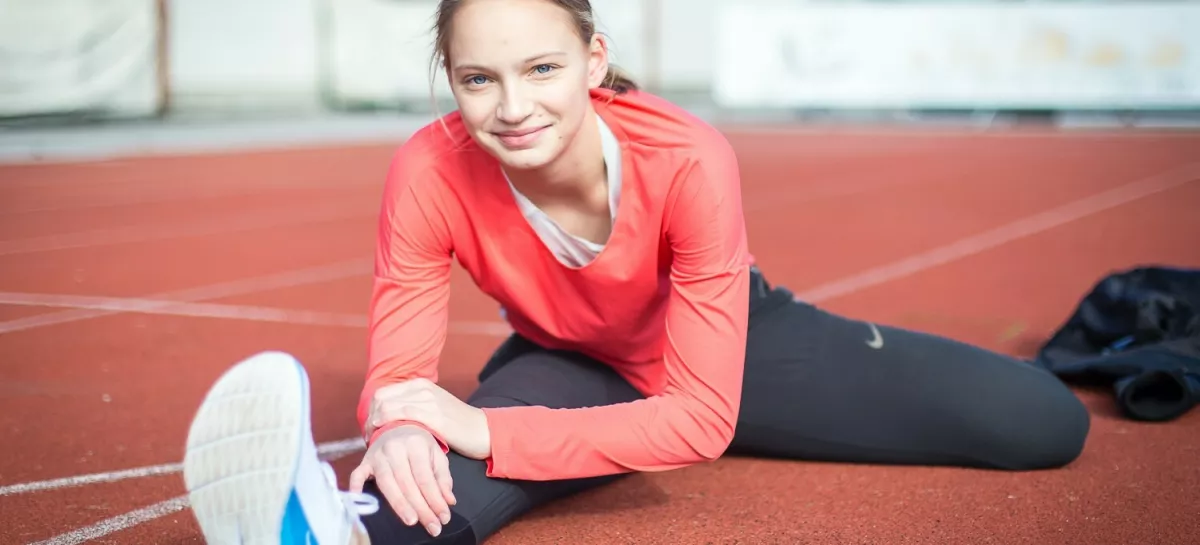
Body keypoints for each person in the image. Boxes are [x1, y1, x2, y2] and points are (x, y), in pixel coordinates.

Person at [180, 0, 1092, 543]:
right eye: (478, 79)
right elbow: (403, 365)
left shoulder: (689, 157)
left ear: (594, 60)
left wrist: (477, 425)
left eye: (541, 67)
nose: (513, 106)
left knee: (1041, 419)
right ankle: (324, 530)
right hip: (573, 359)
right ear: (452, 81)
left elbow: (700, 418)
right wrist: (405, 419)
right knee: (421, 479)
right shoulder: (428, 167)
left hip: (739, 353)